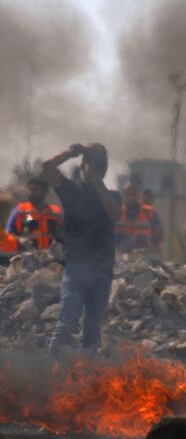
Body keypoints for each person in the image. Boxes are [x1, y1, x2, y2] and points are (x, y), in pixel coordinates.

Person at [42, 143, 121, 356]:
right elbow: (47, 166)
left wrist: (98, 185)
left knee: (92, 334)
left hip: (102, 271)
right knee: (66, 324)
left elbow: (114, 214)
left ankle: (86, 380)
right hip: (76, 269)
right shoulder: (71, 190)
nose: (97, 169)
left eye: (101, 166)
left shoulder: (112, 196)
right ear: (84, 165)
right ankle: (52, 375)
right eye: (93, 165)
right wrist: (70, 152)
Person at [6, 178, 64, 250]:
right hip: (28, 258)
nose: (31, 193)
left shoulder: (56, 212)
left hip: (52, 258)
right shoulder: (20, 211)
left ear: (44, 192)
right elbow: (8, 233)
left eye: (35, 190)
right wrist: (19, 240)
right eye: (30, 190)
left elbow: (66, 233)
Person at [115, 183, 163, 252]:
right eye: (128, 194)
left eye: (133, 194)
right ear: (123, 196)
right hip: (122, 256)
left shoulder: (149, 212)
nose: (131, 197)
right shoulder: (117, 213)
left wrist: (153, 246)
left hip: (144, 256)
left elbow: (159, 233)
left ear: (138, 195)